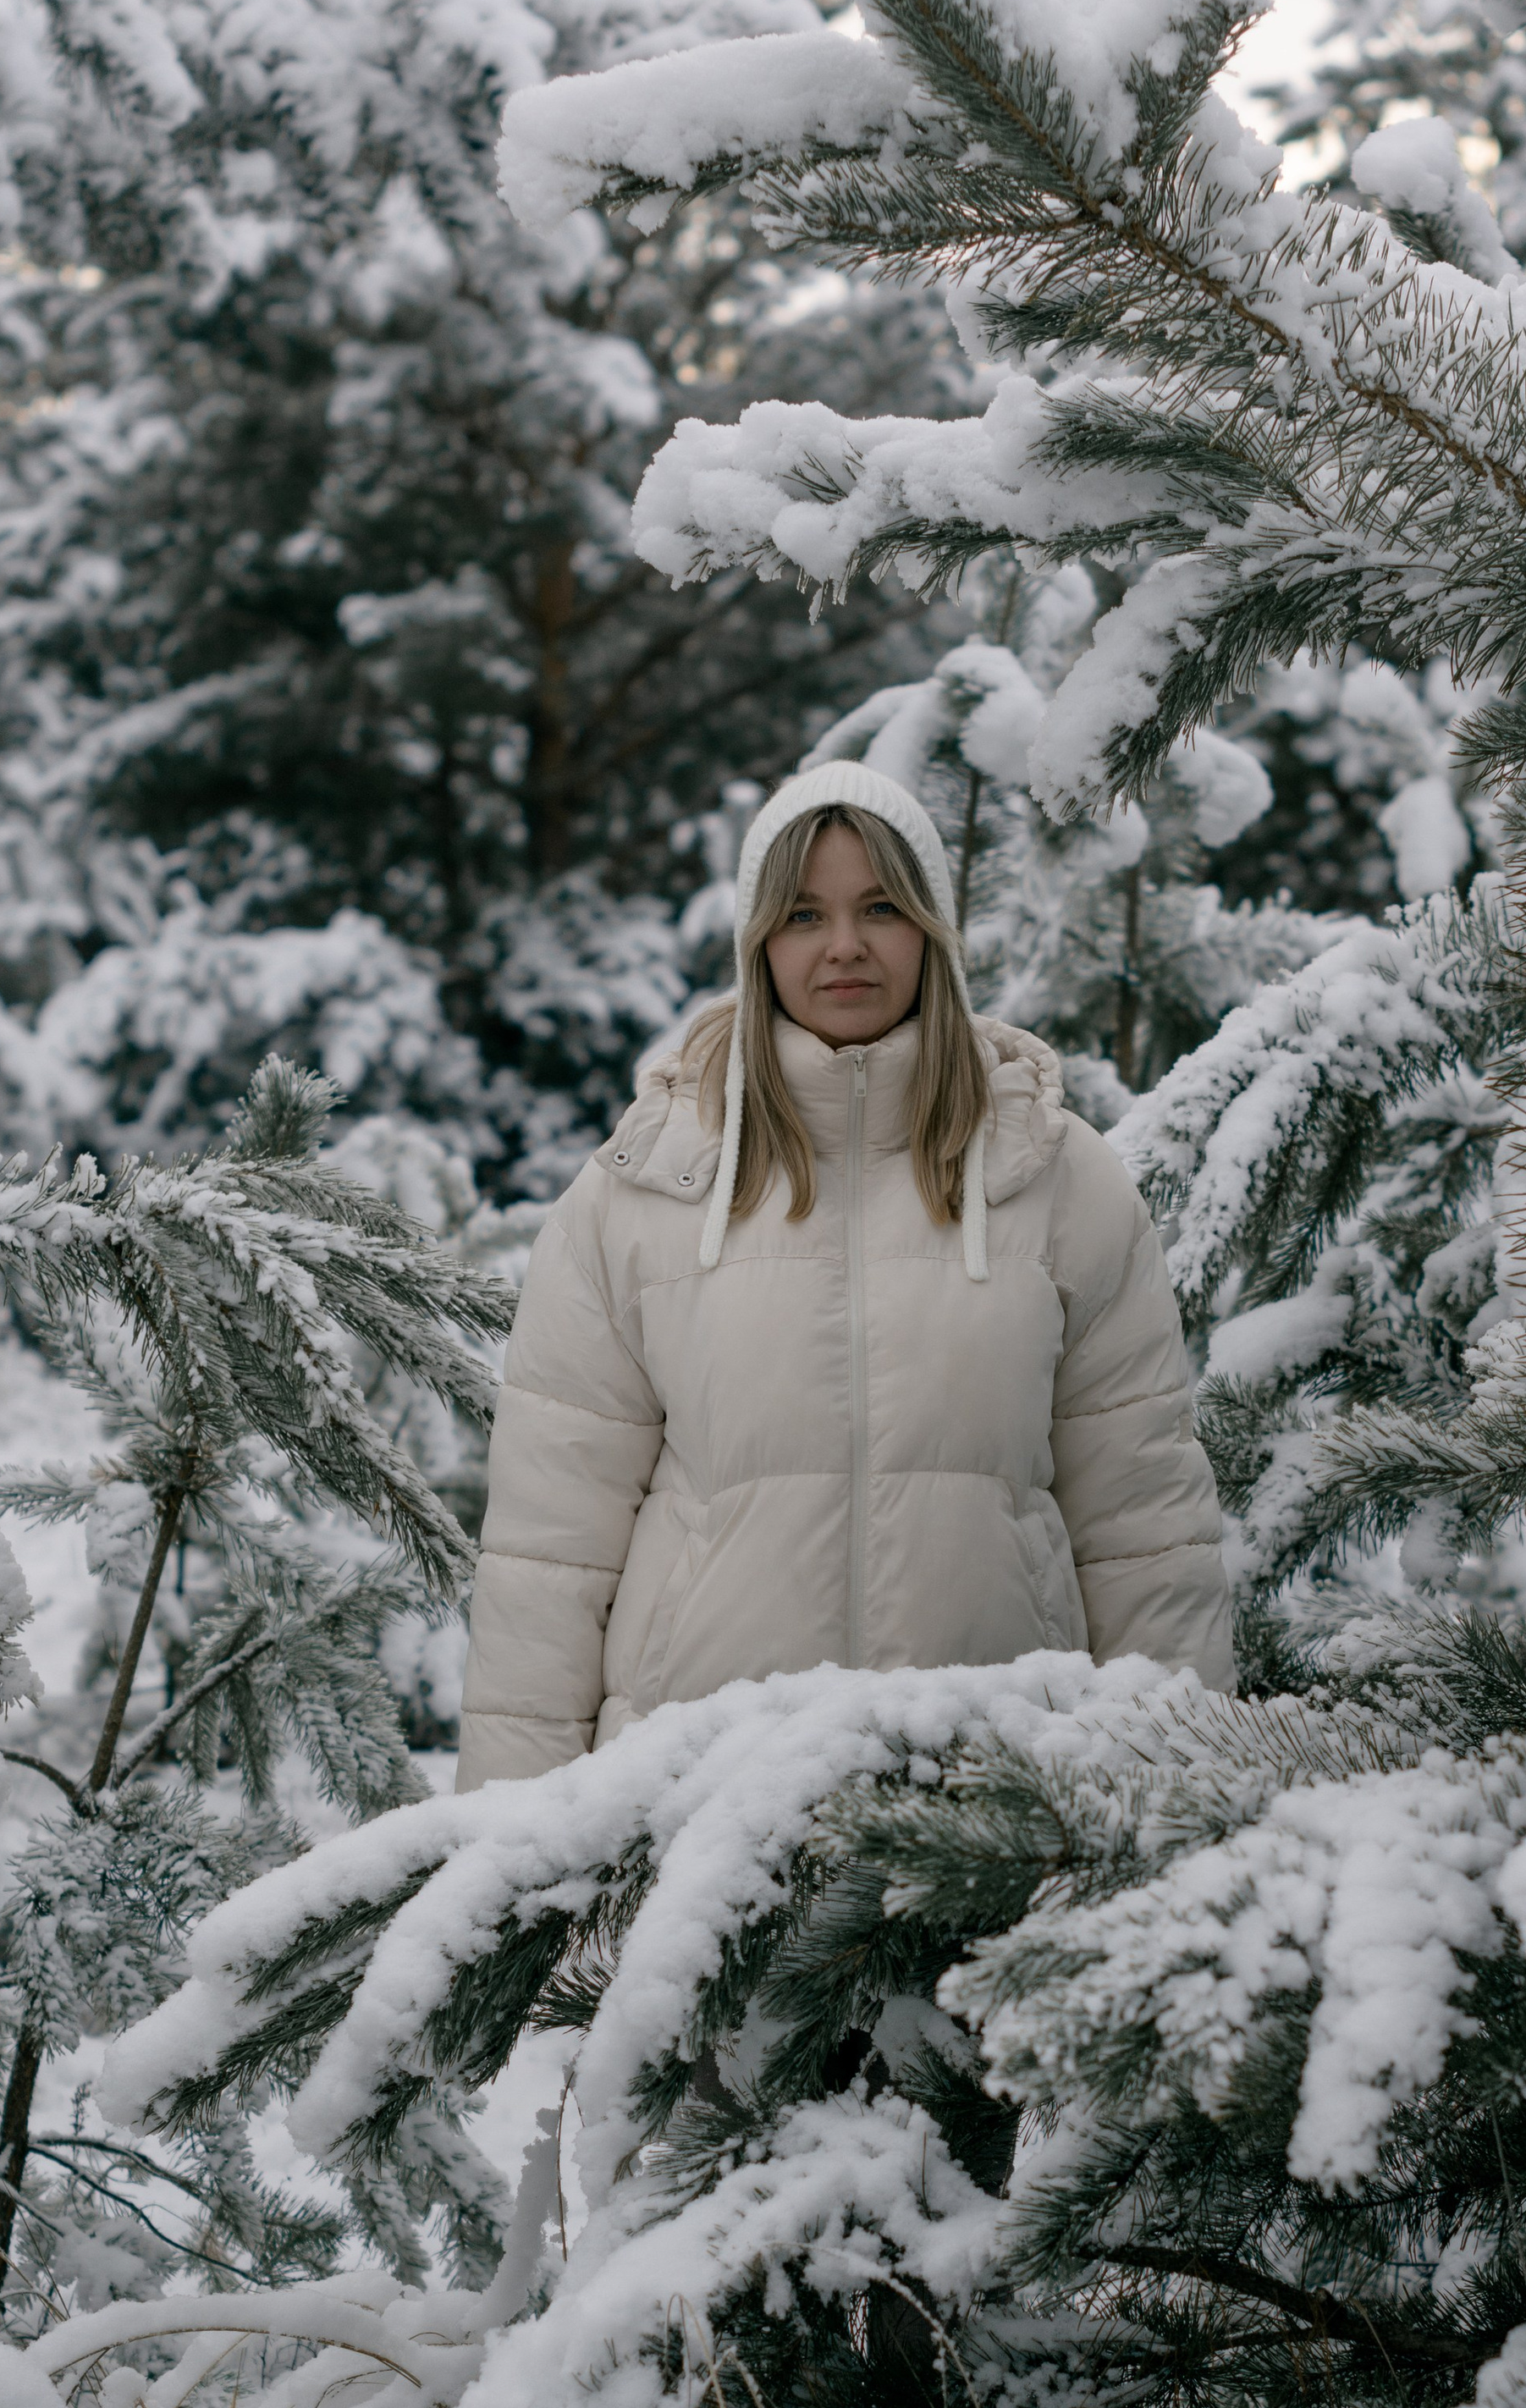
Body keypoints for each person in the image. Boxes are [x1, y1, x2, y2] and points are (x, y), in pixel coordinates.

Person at [455, 759, 1232, 1788]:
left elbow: (1143, 1532)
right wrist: (514, 1852)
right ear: (758, 944)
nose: (846, 946)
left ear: (931, 930)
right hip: (687, 1796)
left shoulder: (1056, 1178)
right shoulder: (643, 1192)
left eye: (880, 907)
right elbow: (547, 1562)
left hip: (998, 1794)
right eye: (803, 915)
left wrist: (1179, 1803)